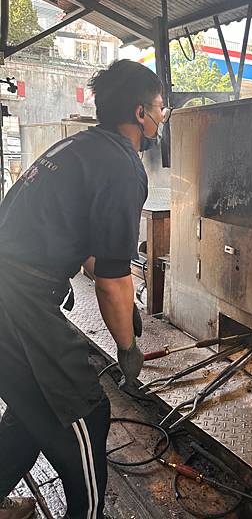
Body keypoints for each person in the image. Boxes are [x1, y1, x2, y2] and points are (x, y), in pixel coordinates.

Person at [0, 60, 166, 519]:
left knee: (32, 411)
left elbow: (92, 255)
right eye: (159, 108)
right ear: (139, 113)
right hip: (16, 299)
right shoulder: (121, 166)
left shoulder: (78, 147)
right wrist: (128, 347)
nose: (161, 117)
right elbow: (111, 278)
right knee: (83, 413)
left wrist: (121, 294)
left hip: (12, 286)